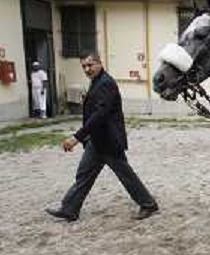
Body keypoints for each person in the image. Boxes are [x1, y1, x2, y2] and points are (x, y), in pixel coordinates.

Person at [46, 52, 159, 222]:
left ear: (99, 63)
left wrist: (77, 137)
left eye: (90, 65)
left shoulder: (106, 83)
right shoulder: (97, 82)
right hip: (97, 141)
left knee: (125, 174)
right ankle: (70, 209)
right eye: (84, 66)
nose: (87, 69)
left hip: (109, 141)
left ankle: (148, 204)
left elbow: (100, 115)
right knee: (84, 175)